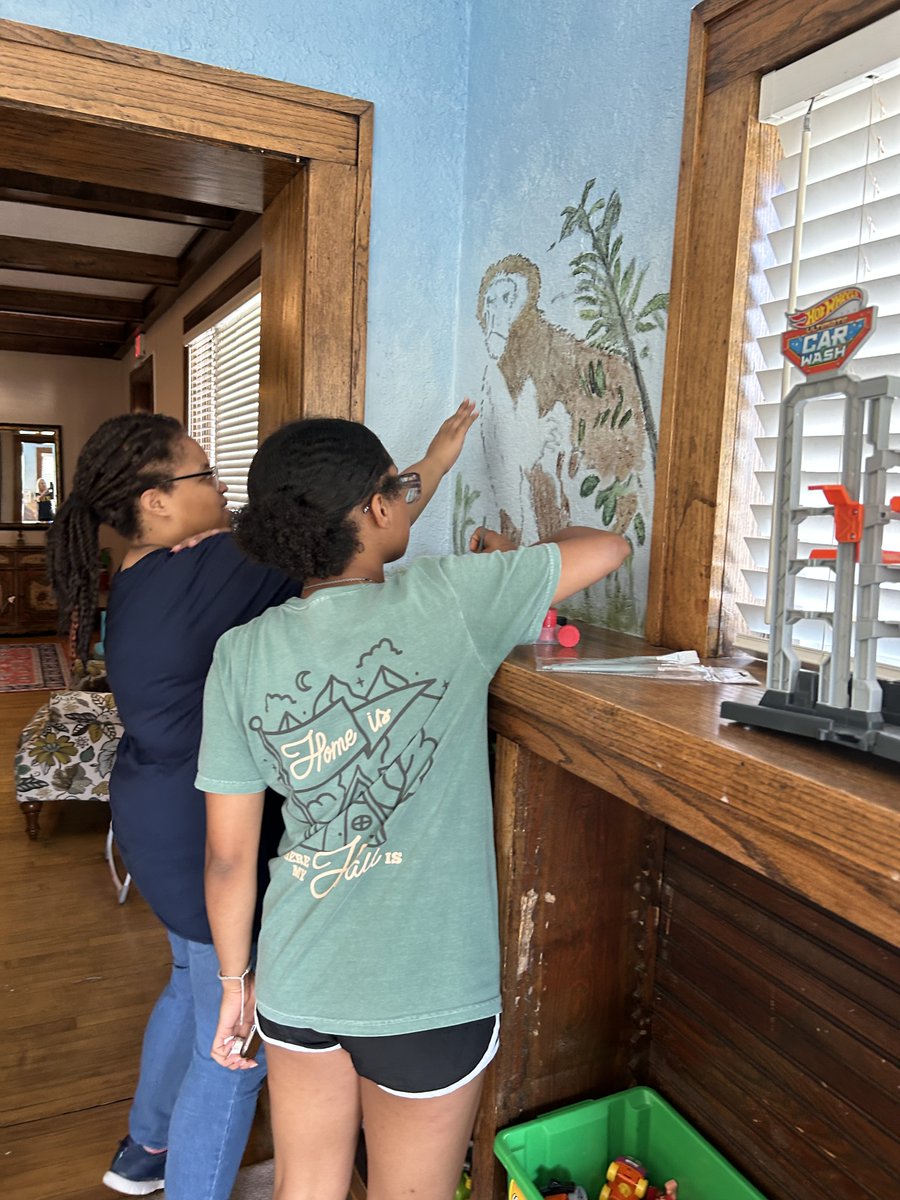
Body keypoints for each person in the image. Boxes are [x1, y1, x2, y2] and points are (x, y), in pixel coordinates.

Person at [46, 402, 476, 1200]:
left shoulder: (147, 573)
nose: (223, 486)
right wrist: (435, 465)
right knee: (234, 1046)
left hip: (151, 816)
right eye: (205, 473)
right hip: (194, 829)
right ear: (156, 502)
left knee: (190, 985)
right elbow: (337, 524)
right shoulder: (215, 568)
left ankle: (144, 1150)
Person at [196, 413, 630, 1200]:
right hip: (428, 990)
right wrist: (515, 558)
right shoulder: (453, 600)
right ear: (379, 508)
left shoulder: (241, 652)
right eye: (397, 489)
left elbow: (229, 856)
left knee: (306, 1184)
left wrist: (235, 982)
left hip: (299, 976)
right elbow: (607, 546)